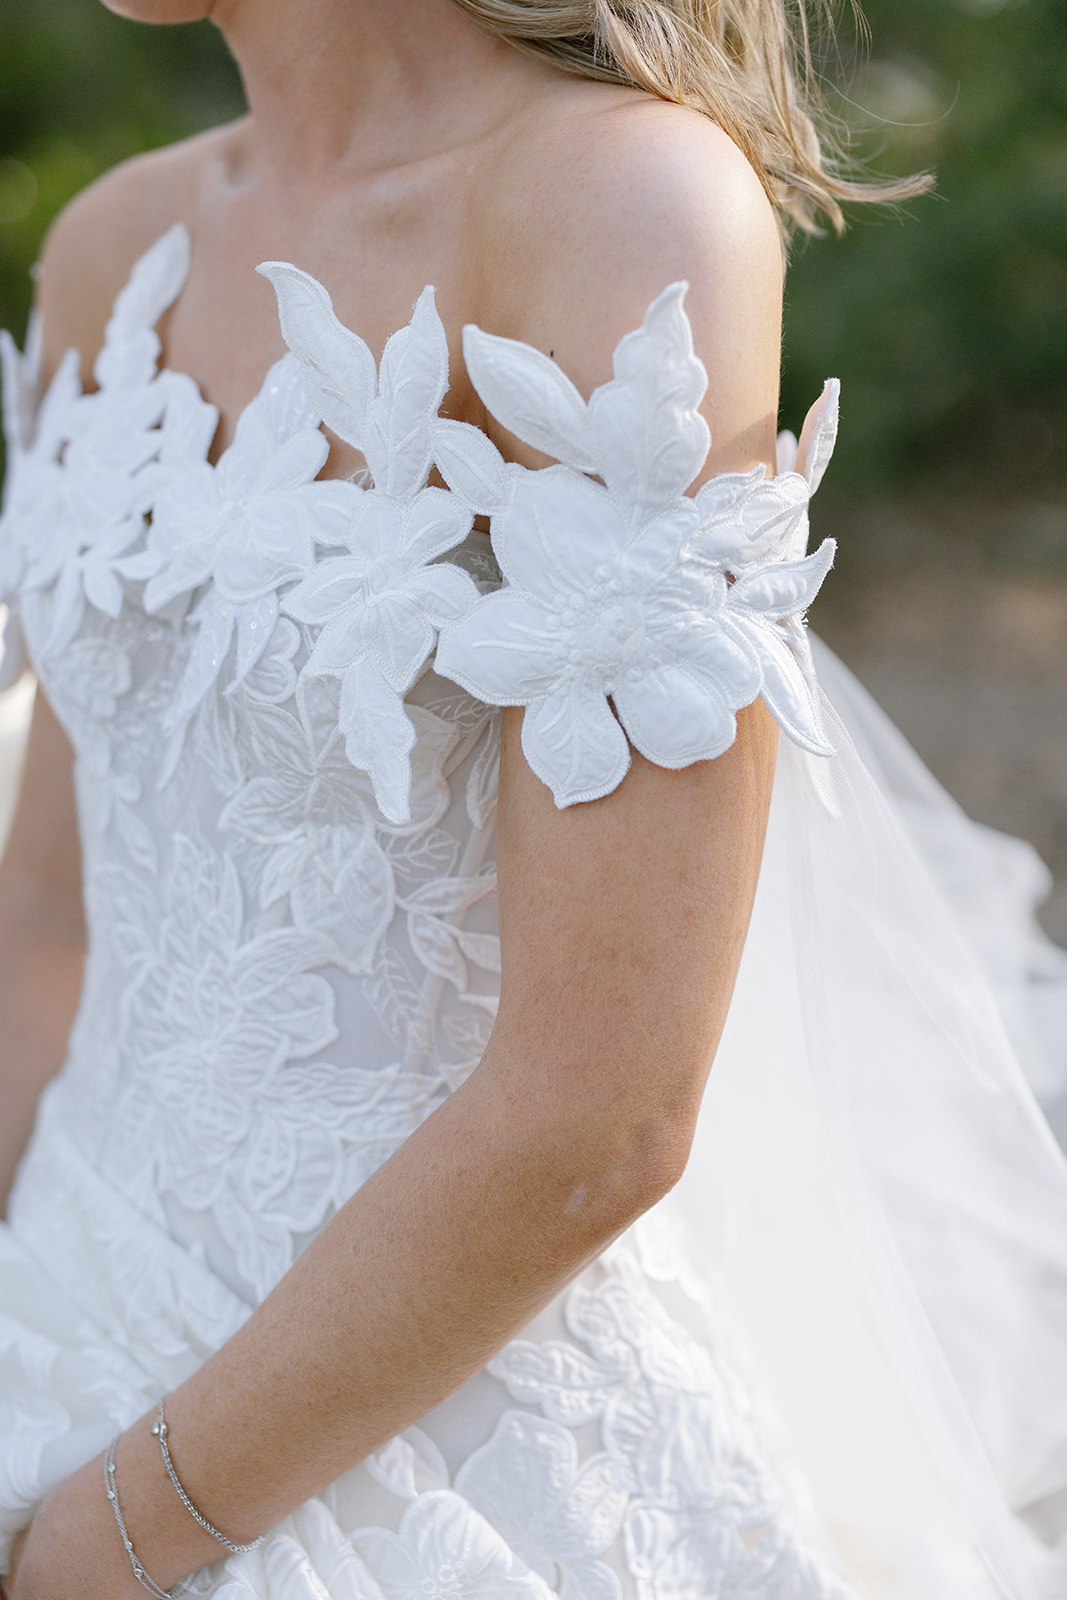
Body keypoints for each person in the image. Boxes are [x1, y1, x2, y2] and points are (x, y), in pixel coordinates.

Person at [0, 2, 1065, 1597]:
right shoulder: (113, 247)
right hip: (59, 1314)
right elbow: (51, 916)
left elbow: (603, 1111)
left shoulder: (620, 211)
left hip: (433, 1448)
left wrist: (103, 1542)